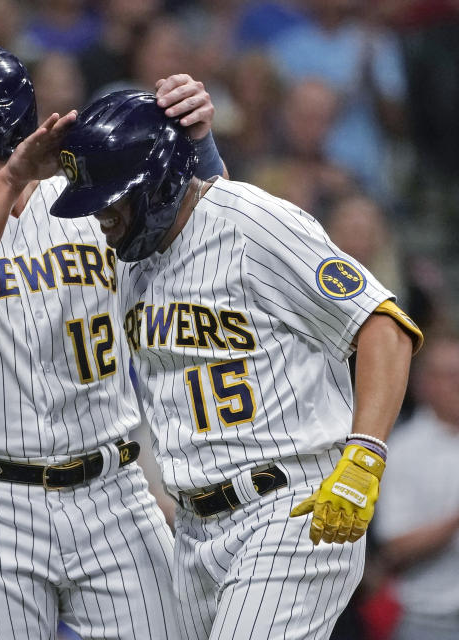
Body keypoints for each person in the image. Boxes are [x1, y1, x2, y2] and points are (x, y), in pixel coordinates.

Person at [0, 43, 226, 639]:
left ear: (10, 124)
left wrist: (200, 142)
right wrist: (11, 172)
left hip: (112, 492)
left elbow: (207, 234)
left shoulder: (89, 205)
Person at [48, 89, 422, 640]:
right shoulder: (130, 254)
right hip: (195, 530)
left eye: (112, 199)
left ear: (157, 185)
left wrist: (364, 458)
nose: (101, 216)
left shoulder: (253, 222)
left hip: (289, 507)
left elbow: (383, 326)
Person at [373, 335, 459, 640]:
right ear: (424, 384)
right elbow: (395, 546)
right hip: (429, 617)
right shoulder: (402, 450)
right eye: (451, 376)